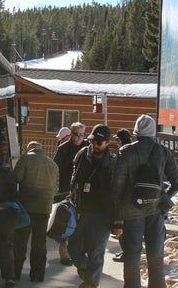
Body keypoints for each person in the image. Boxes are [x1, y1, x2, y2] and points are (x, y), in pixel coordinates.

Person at [112, 115, 178, 288]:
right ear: (153, 132)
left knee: (131, 255)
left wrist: (117, 216)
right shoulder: (163, 152)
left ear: (136, 132)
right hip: (155, 209)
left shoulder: (126, 151)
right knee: (155, 256)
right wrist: (164, 196)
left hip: (131, 212)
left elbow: (116, 186)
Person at [68, 124, 118, 288]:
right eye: (92, 140)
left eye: (99, 142)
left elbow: (117, 193)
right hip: (80, 210)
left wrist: (118, 221)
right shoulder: (82, 155)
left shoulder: (113, 162)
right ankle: (83, 267)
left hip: (103, 214)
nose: (95, 144)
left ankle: (91, 283)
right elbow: (74, 178)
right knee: (73, 248)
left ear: (107, 142)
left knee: (96, 252)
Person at [12, 141, 59, 282]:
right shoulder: (53, 164)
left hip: (26, 207)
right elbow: (56, 188)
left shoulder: (25, 158)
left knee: (20, 242)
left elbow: (15, 178)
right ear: (41, 149)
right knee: (39, 243)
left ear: (29, 149)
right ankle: (37, 275)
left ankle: (15, 274)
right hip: (44, 209)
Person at [53, 122, 87, 264]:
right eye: (77, 134)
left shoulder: (88, 148)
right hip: (66, 190)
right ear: (71, 134)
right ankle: (64, 253)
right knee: (68, 222)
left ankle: (78, 252)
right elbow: (54, 168)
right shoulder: (63, 149)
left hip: (84, 192)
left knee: (82, 224)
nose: (80, 137)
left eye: (82, 134)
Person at [112, 127, 132, 262]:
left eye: (117, 140)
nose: (116, 143)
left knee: (121, 227)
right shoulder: (133, 150)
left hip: (124, 194)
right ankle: (125, 251)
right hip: (132, 194)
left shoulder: (123, 153)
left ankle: (126, 252)